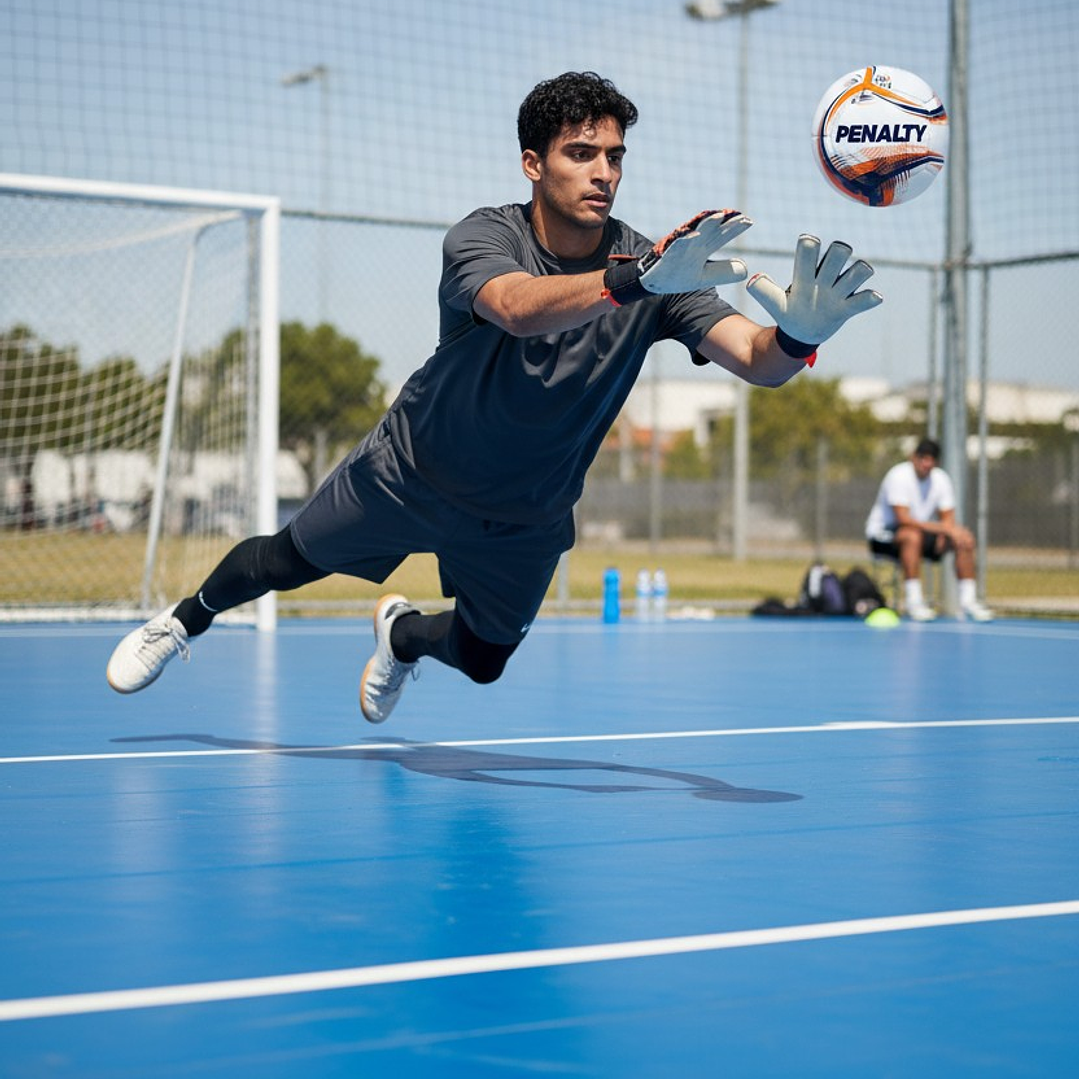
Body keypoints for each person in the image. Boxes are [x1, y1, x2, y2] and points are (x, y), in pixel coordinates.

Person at [107, 70, 883, 721]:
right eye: (580, 153)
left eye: (614, 155)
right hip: (411, 469)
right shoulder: (487, 235)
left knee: (482, 662)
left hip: (525, 512)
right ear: (532, 164)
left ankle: (402, 636)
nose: (603, 171)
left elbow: (754, 358)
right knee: (285, 560)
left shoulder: (660, 266)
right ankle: (181, 621)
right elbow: (514, 307)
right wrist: (632, 281)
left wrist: (798, 338)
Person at [865, 437, 993, 621]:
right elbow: (903, 519)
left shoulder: (940, 479)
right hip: (883, 536)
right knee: (912, 536)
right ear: (913, 458)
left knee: (963, 537)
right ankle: (914, 601)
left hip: (919, 534)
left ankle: (968, 601)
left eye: (931, 459)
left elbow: (948, 518)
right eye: (923, 458)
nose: (927, 463)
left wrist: (947, 531)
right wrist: (941, 528)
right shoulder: (898, 475)